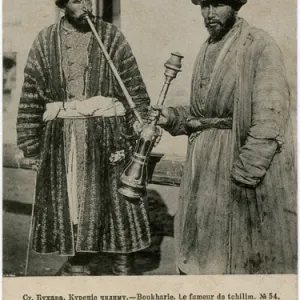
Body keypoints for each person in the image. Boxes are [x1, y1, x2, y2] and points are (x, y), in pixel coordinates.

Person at [151, 0, 297, 274]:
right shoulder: (207, 48)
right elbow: (206, 114)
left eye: (217, 4)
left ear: (235, 5)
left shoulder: (258, 46)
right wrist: (170, 117)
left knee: (233, 260)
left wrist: (244, 177)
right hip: (202, 171)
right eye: (204, 5)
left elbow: (269, 119)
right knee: (201, 258)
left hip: (234, 171)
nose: (209, 14)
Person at [16, 0, 152, 276]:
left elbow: (132, 88)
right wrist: (30, 145)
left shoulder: (111, 36)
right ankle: (79, 261)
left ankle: (123, 261)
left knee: (119, 202)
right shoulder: (45, 41)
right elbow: (31, 97)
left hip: (110, 135)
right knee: (73, 200)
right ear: (63, 3)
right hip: (64, 139)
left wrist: (141, 124)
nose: (86, 6)